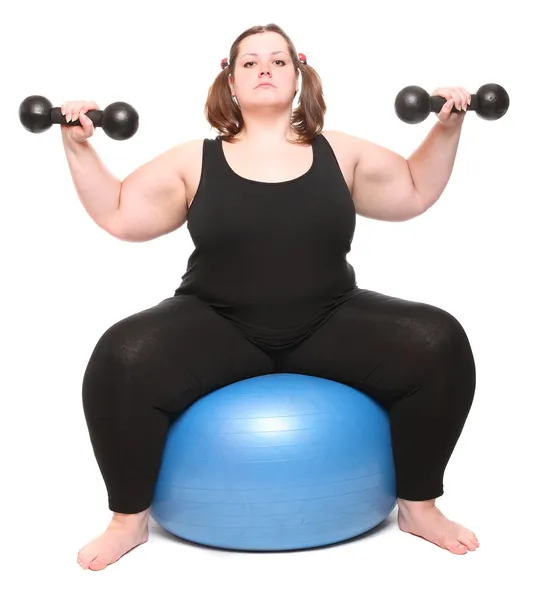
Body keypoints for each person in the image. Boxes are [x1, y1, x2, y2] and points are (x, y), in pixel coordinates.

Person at [61, 23, 480, 571]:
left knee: (438, 339)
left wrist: (447, 128)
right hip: (217, 322)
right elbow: (119, 215)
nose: (265, 69)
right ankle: (127, 520)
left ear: (298, 74)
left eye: (279, 61)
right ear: (230, 80)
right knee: (121, 355)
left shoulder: (340, 151)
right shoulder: (195, 159)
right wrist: (77, 145)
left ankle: (419, 505)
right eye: (251, 62)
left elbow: (413, 191)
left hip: (330, 319)